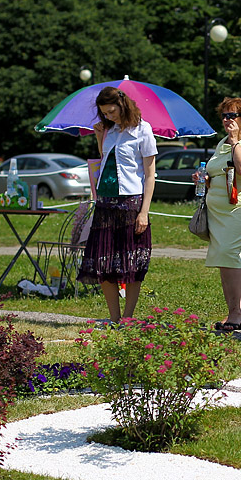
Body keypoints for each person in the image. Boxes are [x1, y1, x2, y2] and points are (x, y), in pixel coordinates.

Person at [77, 87, 157, 324]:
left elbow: (150, 175)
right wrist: (99, 136)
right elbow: (105, 160)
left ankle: (128, 318)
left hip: (131, 203)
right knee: (103, 261)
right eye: (105, 113)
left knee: (131, 262)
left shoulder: (143, 130)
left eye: (112, 111)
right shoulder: (108, 129)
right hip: (105, 203)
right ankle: (114, 317)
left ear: (123, 104)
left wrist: (144, 211)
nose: (109, 116)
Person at [193, 97, 241, 332]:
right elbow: (216, 171)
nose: (227, 120)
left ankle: (236, 313)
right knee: (223, 259)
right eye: (224, 116)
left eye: (232, 116)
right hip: (217, 209)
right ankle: (233, 311)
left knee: (229, 253)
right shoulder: (222, 143)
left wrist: (236, 141)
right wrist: (203, 178)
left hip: (240, 207)